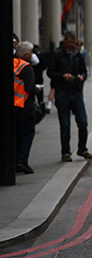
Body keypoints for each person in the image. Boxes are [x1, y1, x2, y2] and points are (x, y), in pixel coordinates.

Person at [47, 32, 92, 162]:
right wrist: (62, 76)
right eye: (70, 42)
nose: (72, 45)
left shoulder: (78, 55)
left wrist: (82, 77)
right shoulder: (57, 55)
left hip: (76, 93)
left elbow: (84, 72)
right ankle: (65, 152)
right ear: (65, 41)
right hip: (62, 93)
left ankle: (82, 148)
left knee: (83, 122)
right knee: (65, 124)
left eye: (74, 42)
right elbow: (50, 72)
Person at [14, 41, 40, 174]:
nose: (32, 55)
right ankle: (22, 161)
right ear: (25, 54)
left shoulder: (12, 64)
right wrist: (38, 90)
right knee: (28, 134)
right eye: (30, 52)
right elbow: (29, 88)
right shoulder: (27, 68)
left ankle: (15, 161)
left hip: (13, 106)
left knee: (16, 134)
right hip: (25, 105)